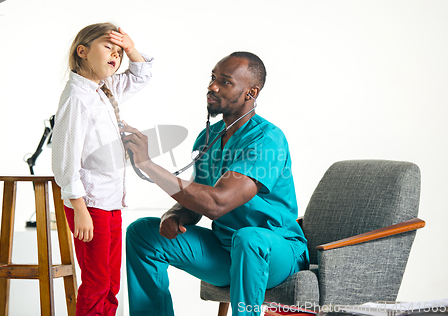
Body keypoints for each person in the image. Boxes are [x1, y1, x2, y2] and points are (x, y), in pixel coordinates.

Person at [121, 52, 309, 316]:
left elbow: (217, 203)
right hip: (226, 250)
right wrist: (174, 214)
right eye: (212, 78)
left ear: (250, 93)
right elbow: (198, 200)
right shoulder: (206, 139)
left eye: (225, 81)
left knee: (249, 238)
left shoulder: (268, 139)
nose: (212, 87)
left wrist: (149, 166)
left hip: (276, 251)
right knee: (143, 233)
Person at [51, 22, 153, 316]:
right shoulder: (77, 98)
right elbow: (65, 160)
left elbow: (141, 75)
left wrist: (131, 48)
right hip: (90, 204)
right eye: (109, 47)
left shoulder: (104, 90)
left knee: (110, 282)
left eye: (119, 52)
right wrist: (79, 208)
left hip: (111, 203)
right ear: (82, 52)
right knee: (95, 283)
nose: (116, 56)